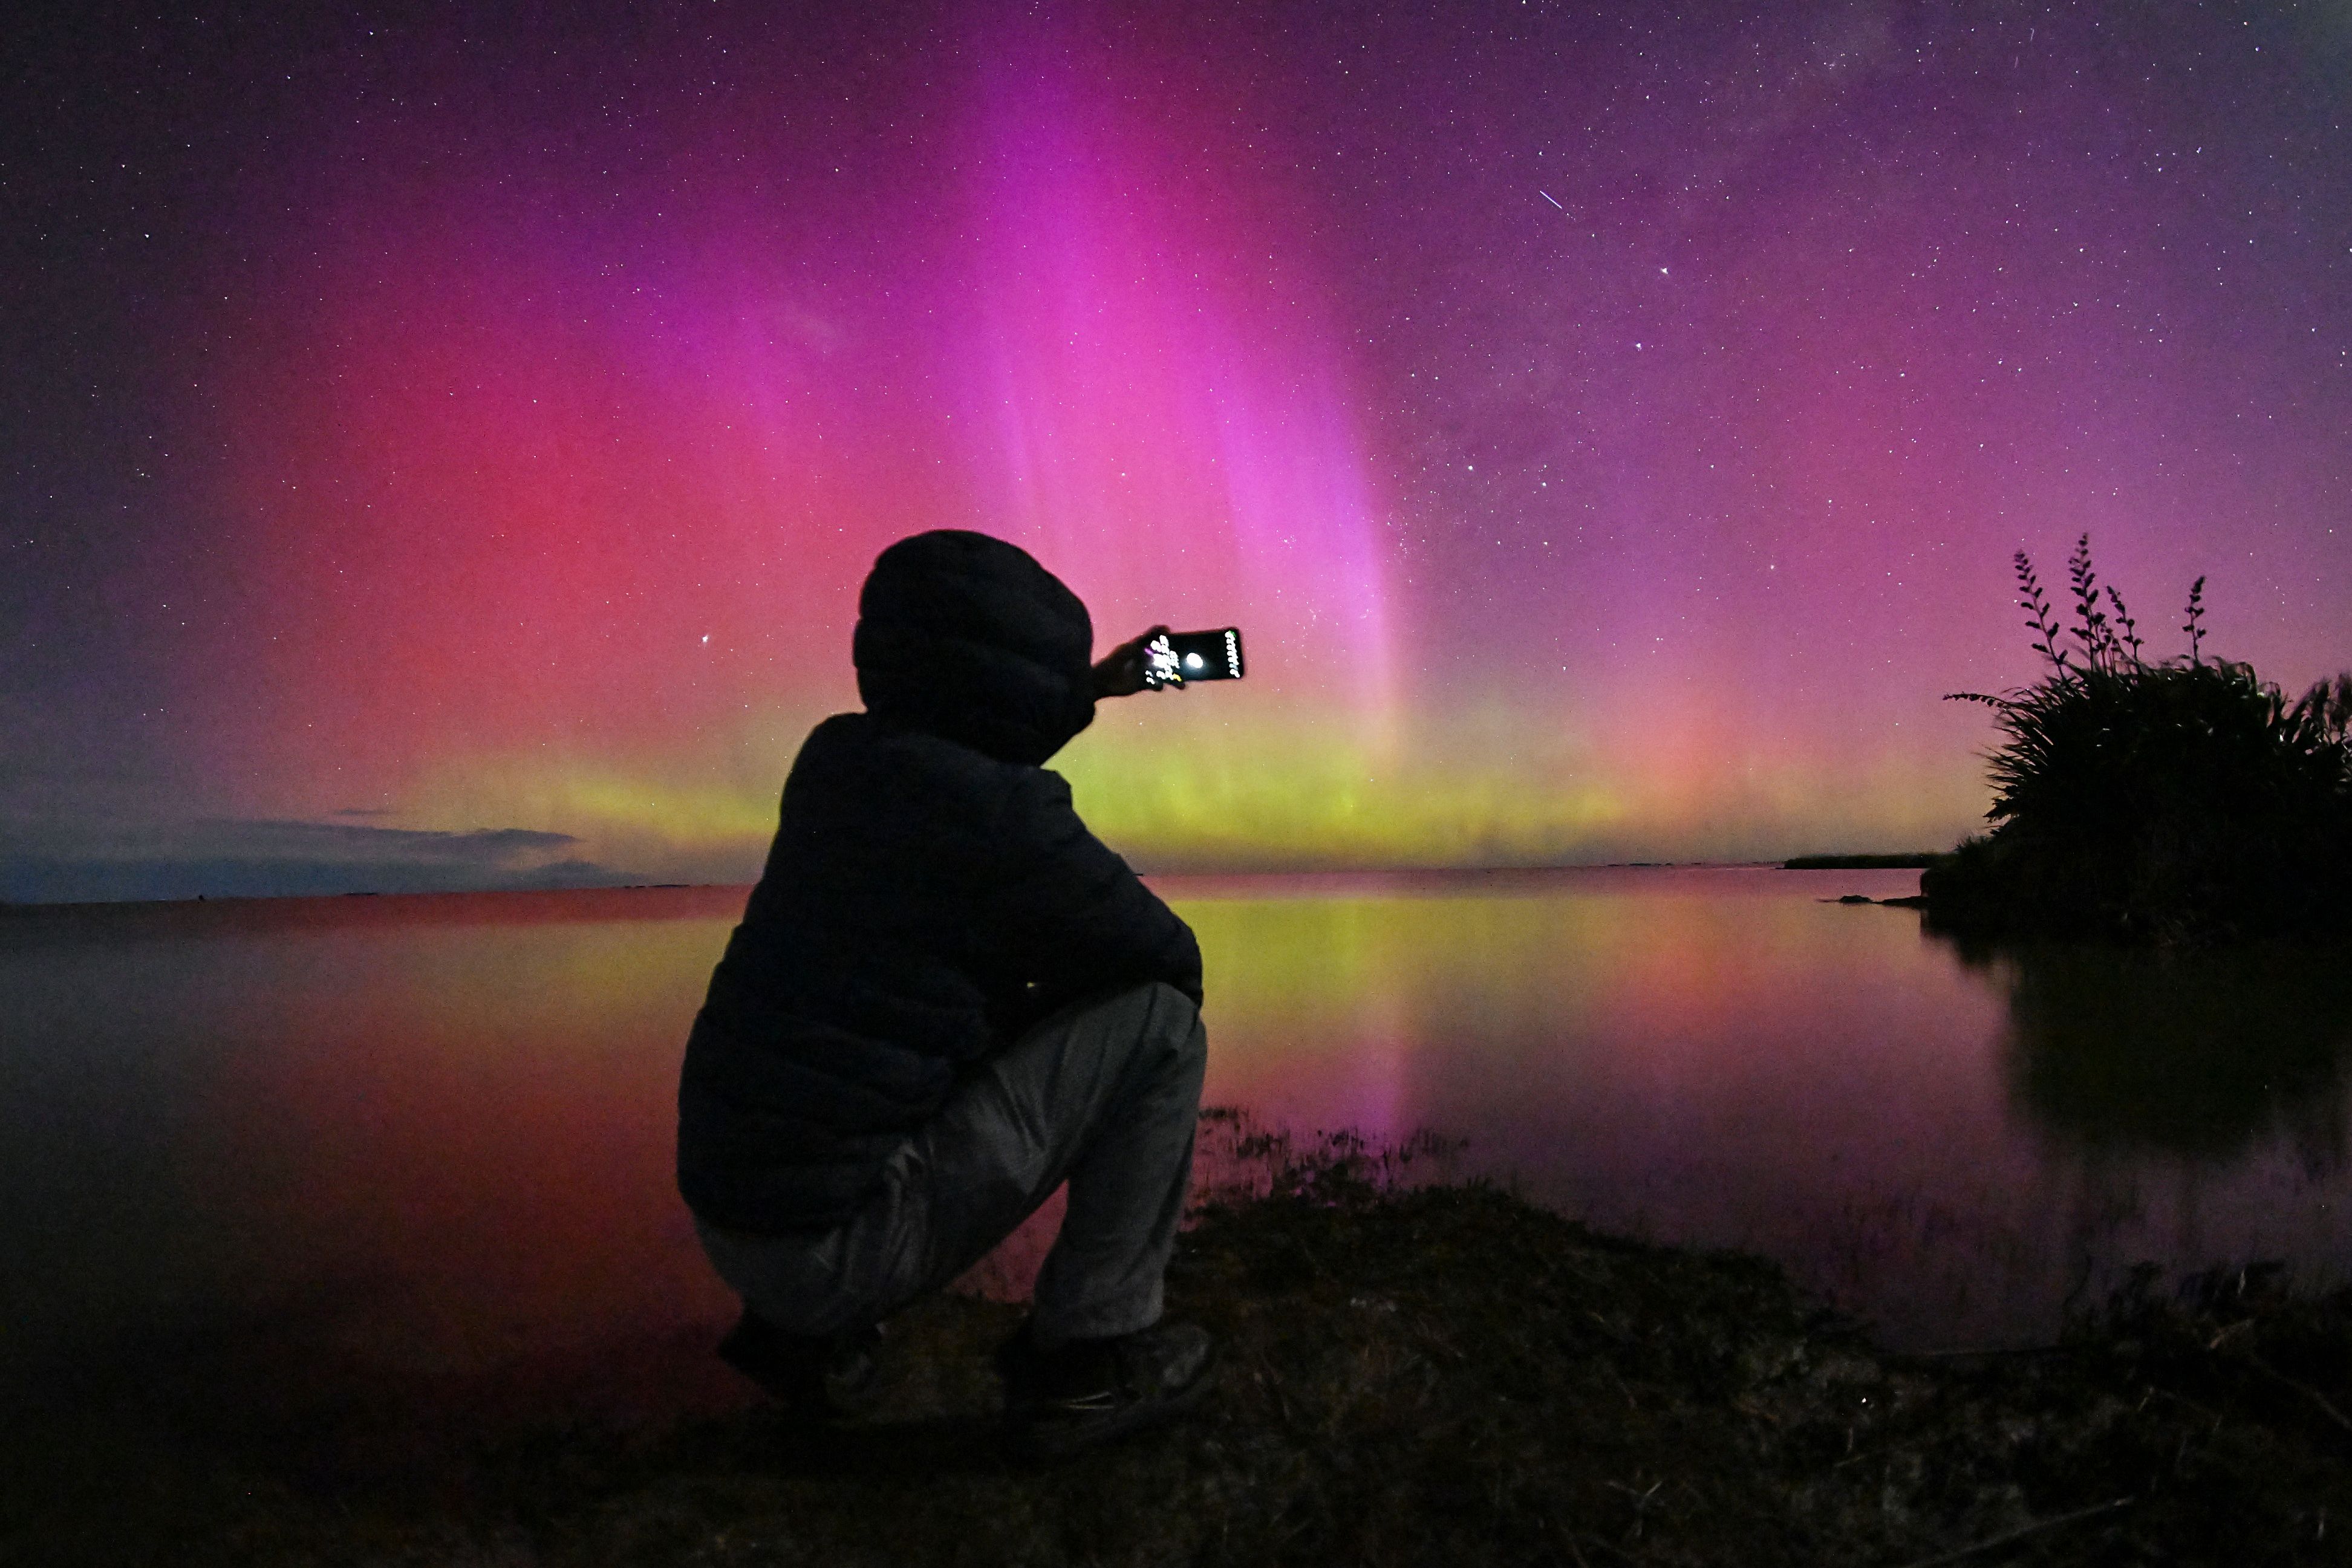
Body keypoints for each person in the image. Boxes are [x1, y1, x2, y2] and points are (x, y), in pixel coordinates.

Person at [677, 528, 1214, 1459]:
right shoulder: (1002, 817)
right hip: (831, 1248)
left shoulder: (836, 764)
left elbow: (970, 726)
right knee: (1161, 1028)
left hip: (737, 1216)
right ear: (1018, 680)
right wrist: (1058, 1014)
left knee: (899, 1024)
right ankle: (1086, 1361)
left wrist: (1096, 687)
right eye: (1058, 668)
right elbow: (1165, 955)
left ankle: (802, 1342)